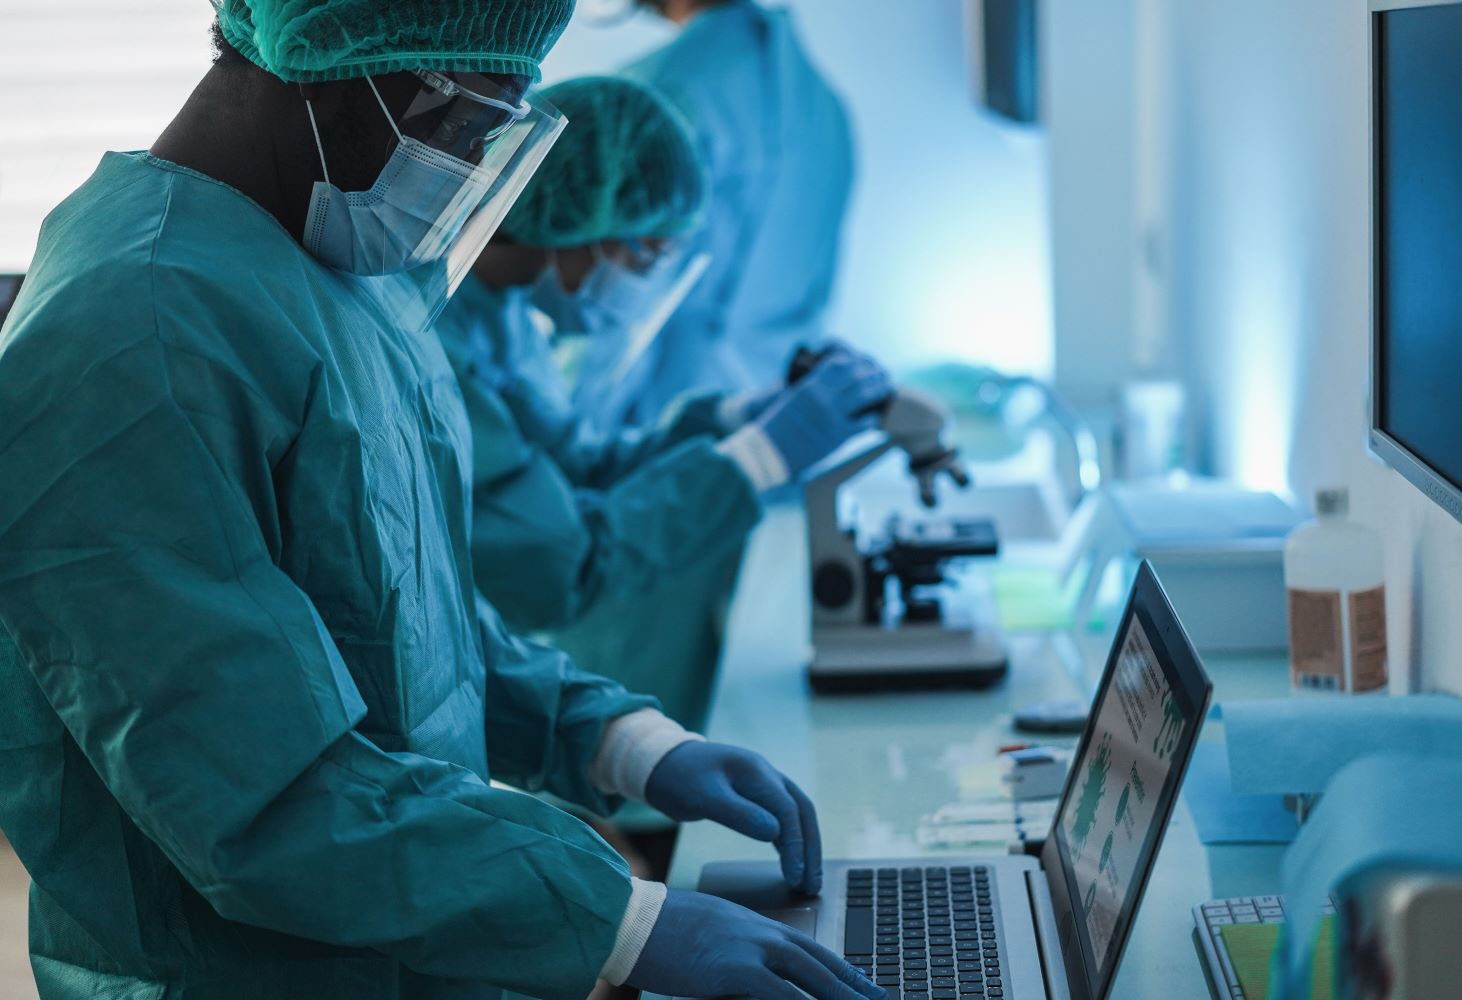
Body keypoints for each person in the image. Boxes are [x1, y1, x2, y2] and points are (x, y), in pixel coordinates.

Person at [0, 4, 885, 999]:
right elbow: (261, 801)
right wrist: (624, 920)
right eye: (468, 127)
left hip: (399, 944)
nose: (470, 175)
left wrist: (616, 739)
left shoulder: (355, 276)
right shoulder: (133, 333)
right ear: (343, 62)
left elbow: (407, 613)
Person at [439, 75, 890, 737]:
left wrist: (736, 419)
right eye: (646, 254)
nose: (644, 282)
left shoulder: (503, 314)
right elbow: (563, 565)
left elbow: (575, 468)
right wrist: (760, 458)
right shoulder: (442, 341)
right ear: (581, 219)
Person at [577, 0, 856, 429]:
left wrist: (575, 427)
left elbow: (612, 296)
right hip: (773, 414)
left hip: (661, 423)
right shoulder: (824, 106)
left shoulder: (667, 87)